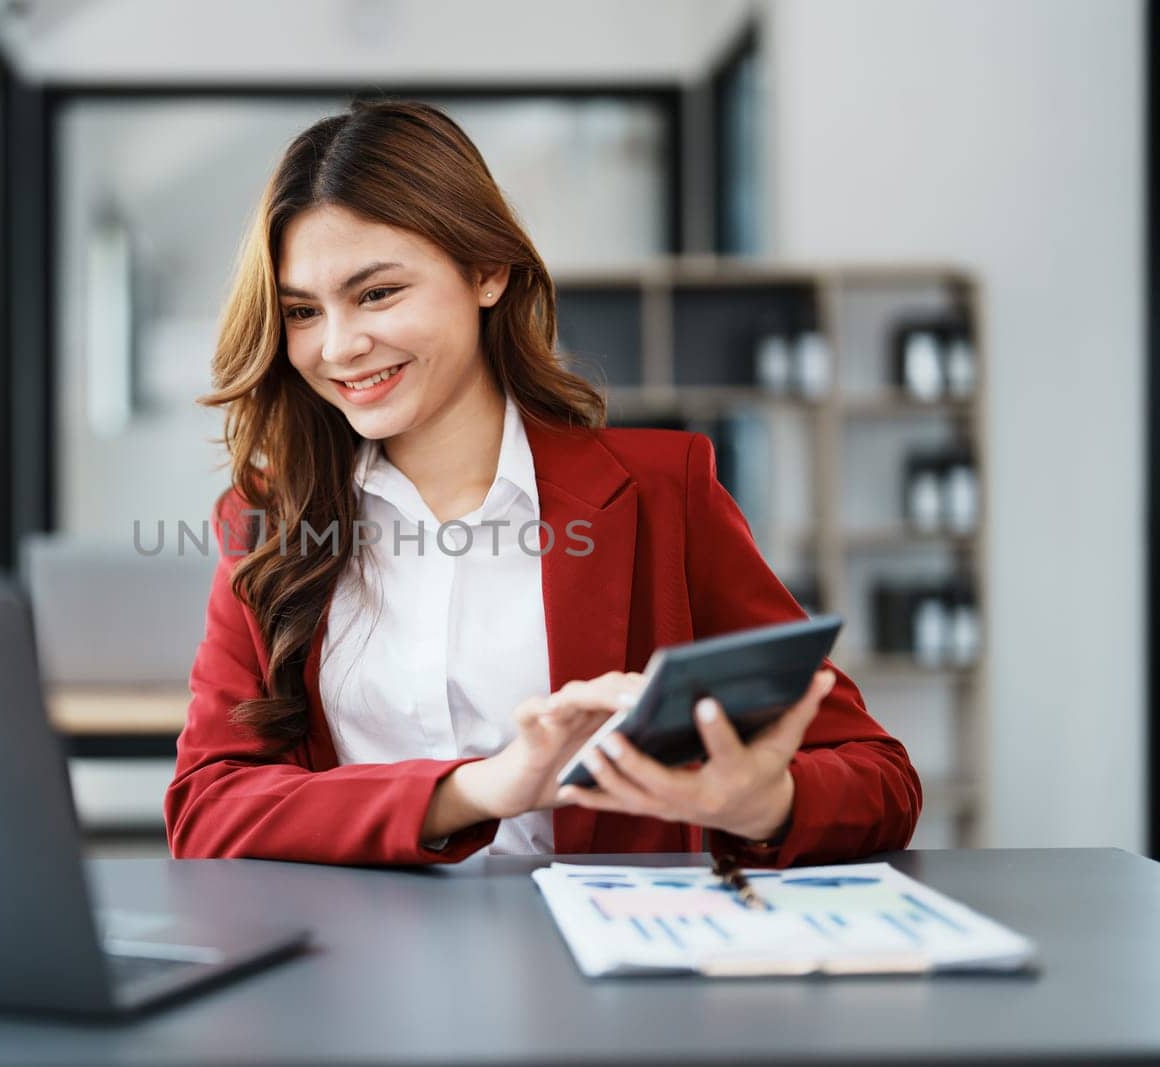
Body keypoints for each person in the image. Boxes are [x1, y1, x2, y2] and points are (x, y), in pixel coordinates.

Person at [165, 99, 921, 867]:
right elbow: (206, 808)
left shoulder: (664, 492)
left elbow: (881, 777)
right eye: (301, 310)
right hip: (356, 963)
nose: (340, 345)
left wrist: (767, 802)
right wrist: (479, 790)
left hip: (602, 964)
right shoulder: (269, 516)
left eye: (378, 293)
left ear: (488, 271)